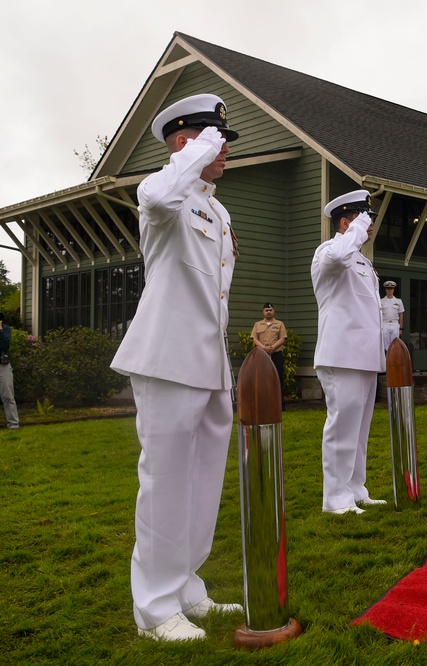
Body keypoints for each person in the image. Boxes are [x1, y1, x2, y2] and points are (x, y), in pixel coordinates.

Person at [110, 94, 243, 642]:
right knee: (164, 481)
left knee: (203, 480)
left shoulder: (216, 209)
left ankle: (187, 585)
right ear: (188, 141)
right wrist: (194, 152)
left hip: (209, 361)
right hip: (167, 357)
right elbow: (164, 190)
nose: (227, 150)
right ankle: (155, 607)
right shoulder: (160, 192)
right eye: (218, 140)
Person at [313, 190, 387, 515]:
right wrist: (355, 231)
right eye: (362, 219)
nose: (369, 227)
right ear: (345, 221)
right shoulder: (329, 252)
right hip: (340, 354)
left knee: (359, 431)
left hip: (365, 356)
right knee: (342, 427)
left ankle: (356, 489)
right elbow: (338, 256)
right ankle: (335, 498)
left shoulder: (363, 262)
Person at [251, 302, 287, 409]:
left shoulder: (279, 324)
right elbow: (254, 339)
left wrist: (273, 347)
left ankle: (280, 405)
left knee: (278, 379)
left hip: (276, 355)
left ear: (273, 311)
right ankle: (263, 404)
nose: (268, 312)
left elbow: (283, 338)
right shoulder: (257, 325)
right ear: (263, 312)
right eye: (266, 310)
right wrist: (264, 348)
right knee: (262, 379)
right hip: (262, 356)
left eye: (270, 310)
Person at [0, 311, 19, 430]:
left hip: (3, 366)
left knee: (8, 396)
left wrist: (0, 331)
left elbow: (5, 346)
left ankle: (13, 424)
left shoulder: (6, 329)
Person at [380, 281, 405, 350]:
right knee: (386, 346)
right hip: (385, 323)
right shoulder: (381, 301)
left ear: (393, 290)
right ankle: (387, 359)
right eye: (388, 288)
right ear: (385, 290)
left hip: (395, 323)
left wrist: (401, 328)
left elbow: (401, 314)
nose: (390, 290)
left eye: (391, 288)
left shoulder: (398, 301)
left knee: (395, 344)